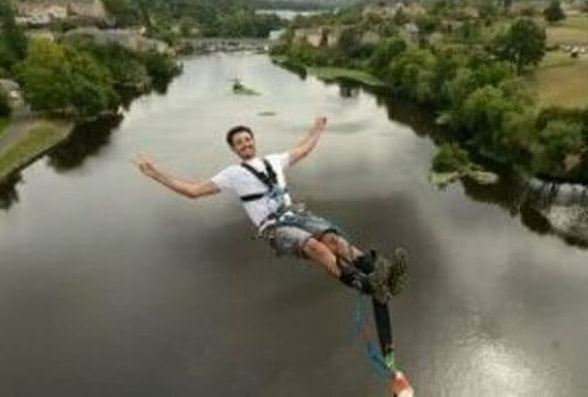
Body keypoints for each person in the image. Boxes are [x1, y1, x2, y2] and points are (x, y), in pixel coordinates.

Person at [133, 116, 406, 303]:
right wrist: (156, 174)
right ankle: (368, 286)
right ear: (233, 149)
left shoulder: (274, 160)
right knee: (315, 247)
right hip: (274, 227)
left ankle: (382, 272)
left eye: (248, 140)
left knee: (334, 240)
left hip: (295, 214)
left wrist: (318, 129)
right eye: (239, 143)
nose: (246, 144)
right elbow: (193, 191)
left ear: (254, 141)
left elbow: (303, 150)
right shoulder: (232, 174)